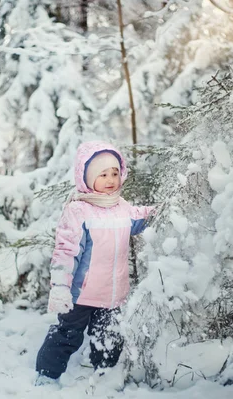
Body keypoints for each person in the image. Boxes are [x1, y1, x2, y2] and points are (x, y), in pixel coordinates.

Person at [35, 141, 154, 386]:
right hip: (81, 294)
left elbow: (140, 217)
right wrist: (60, 288)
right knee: (67, 334)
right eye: (103, 174)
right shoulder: (79, 211)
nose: (111, 179)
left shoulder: (122, 207)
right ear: (88, 178)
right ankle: (47, 374)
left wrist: (163, 209)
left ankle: (105, 375)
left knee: (110, 336)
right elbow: (66, 252)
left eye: (115, 173)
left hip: (112, 294)